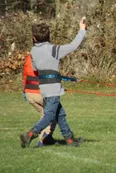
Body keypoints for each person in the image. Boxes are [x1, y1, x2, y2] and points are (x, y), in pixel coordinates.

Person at [20, 17, 87, 148]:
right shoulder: (54, 49)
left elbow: (34, 69)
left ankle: (69, 140)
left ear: (34, 38)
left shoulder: (33, 51)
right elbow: (73, 45)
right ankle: (30, 134)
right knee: (50, 115)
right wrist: (82, 30)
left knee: (60, 114)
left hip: (44, 88)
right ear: (49, 36)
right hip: (53, 89)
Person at [23, 52, 57, 147]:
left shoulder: (29, 57)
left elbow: (26, 75)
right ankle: (42, 138)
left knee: (44, 113)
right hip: (39, 93)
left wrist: (24, 91)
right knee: (53, 112)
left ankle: (47, 137)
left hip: (29, 93)